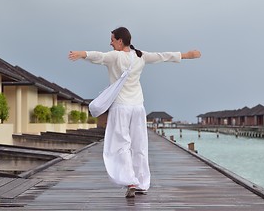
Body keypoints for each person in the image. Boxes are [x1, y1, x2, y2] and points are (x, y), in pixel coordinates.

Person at [68, 27, 201, 198]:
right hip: (138, 107)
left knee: (120, 144)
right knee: (140, 145)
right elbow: (162, 56)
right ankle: (142, 183)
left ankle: (130, 180)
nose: (110, 43)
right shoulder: (140, 56)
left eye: (112, 40)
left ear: (120, 41)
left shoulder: (115, 56)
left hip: (121, 107)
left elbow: (98, 56)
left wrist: (81, 53)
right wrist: (187, 55)